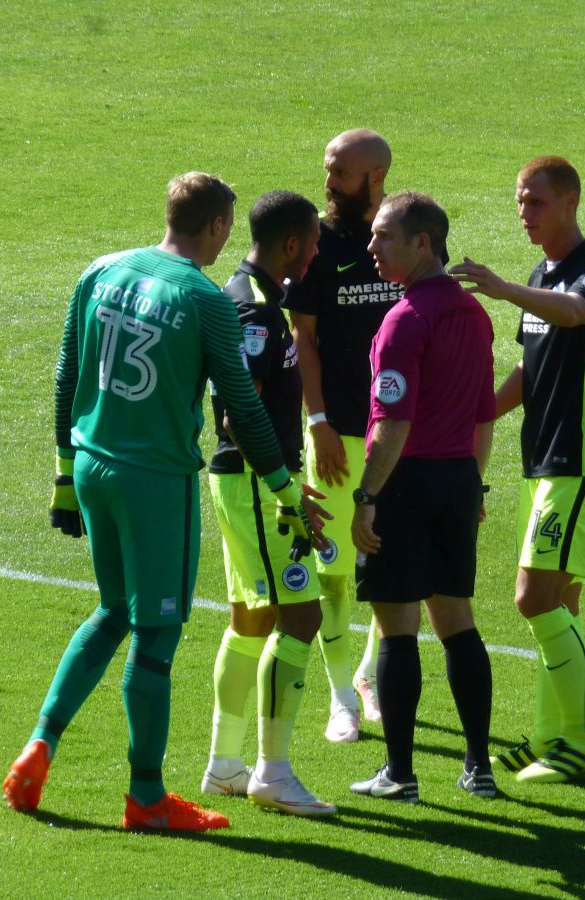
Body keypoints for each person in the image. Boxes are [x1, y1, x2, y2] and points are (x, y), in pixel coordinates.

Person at [1, 172, 320, 832]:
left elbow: (68, 373)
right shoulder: (204, 300)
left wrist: (64, 474)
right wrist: (286, 491)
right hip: (157, 482)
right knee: (156, 631)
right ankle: (146, 797)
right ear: (217, 228)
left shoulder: (101, 269)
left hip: (93, 465)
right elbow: (244, 408)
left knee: (113, 609)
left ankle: (42, 741)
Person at [450, 156, 585, 783]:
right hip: (543, 463)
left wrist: (501, 290)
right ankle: (553, 731)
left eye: (536, 202)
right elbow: (531, 371)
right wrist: (477, 413)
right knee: (561, 603)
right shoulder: (541, 275)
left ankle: (582, 738)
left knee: (532, 599)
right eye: (520, 202)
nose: (524, 213)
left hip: (580, 465)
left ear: (571, 200)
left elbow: (577, 314)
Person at [347, 192, 498, 803]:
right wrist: (475, 484)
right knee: (458, 622)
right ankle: (478, 767)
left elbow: (392, 424)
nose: (372, 247)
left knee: (397, 627)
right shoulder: (473, 314)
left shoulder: (404, 320)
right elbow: (485, 414)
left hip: (405, 484)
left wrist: (366, 496)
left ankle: (400, 775)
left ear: (423, 244)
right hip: (460, 478)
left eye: (384, 236)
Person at [200, 190, 337, 817]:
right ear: (290, 245)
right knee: (300, 617)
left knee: (249, 619)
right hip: (257, 483)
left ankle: (224, 766)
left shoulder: (253, 300)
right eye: (311, 243)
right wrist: (283, 484)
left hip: (247, 482)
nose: (315, 253)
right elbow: (237, 414)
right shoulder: (254, 311)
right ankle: (272, 773)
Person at [284, 128, 401, 742]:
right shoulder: (315, 243)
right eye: (327, 167)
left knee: (388, 563)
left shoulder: (406, 232)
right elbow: (303, 338)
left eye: (342, 172)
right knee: (331, 571)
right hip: (335, 432)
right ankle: (340, 702)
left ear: (375, 176)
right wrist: (318, 421)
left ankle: (369, 677)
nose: (329, 181)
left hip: (398, 435)